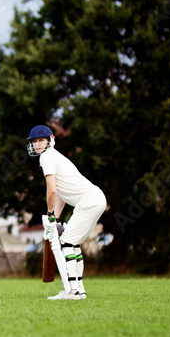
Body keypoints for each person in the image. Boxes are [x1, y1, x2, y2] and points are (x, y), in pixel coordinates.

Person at [26, 125, 107, 300]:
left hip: (88, 201)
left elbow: (52, 191)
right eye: (35, 142)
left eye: (41, 140)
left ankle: (73, 292)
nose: (38, 145)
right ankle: (79, 289)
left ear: (50, 140)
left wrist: (48, 212)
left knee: (67, 242)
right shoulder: (56, 156)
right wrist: (53, 218)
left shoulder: (47, 157)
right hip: (96, 198)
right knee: (73, 243)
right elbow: (61, 196)